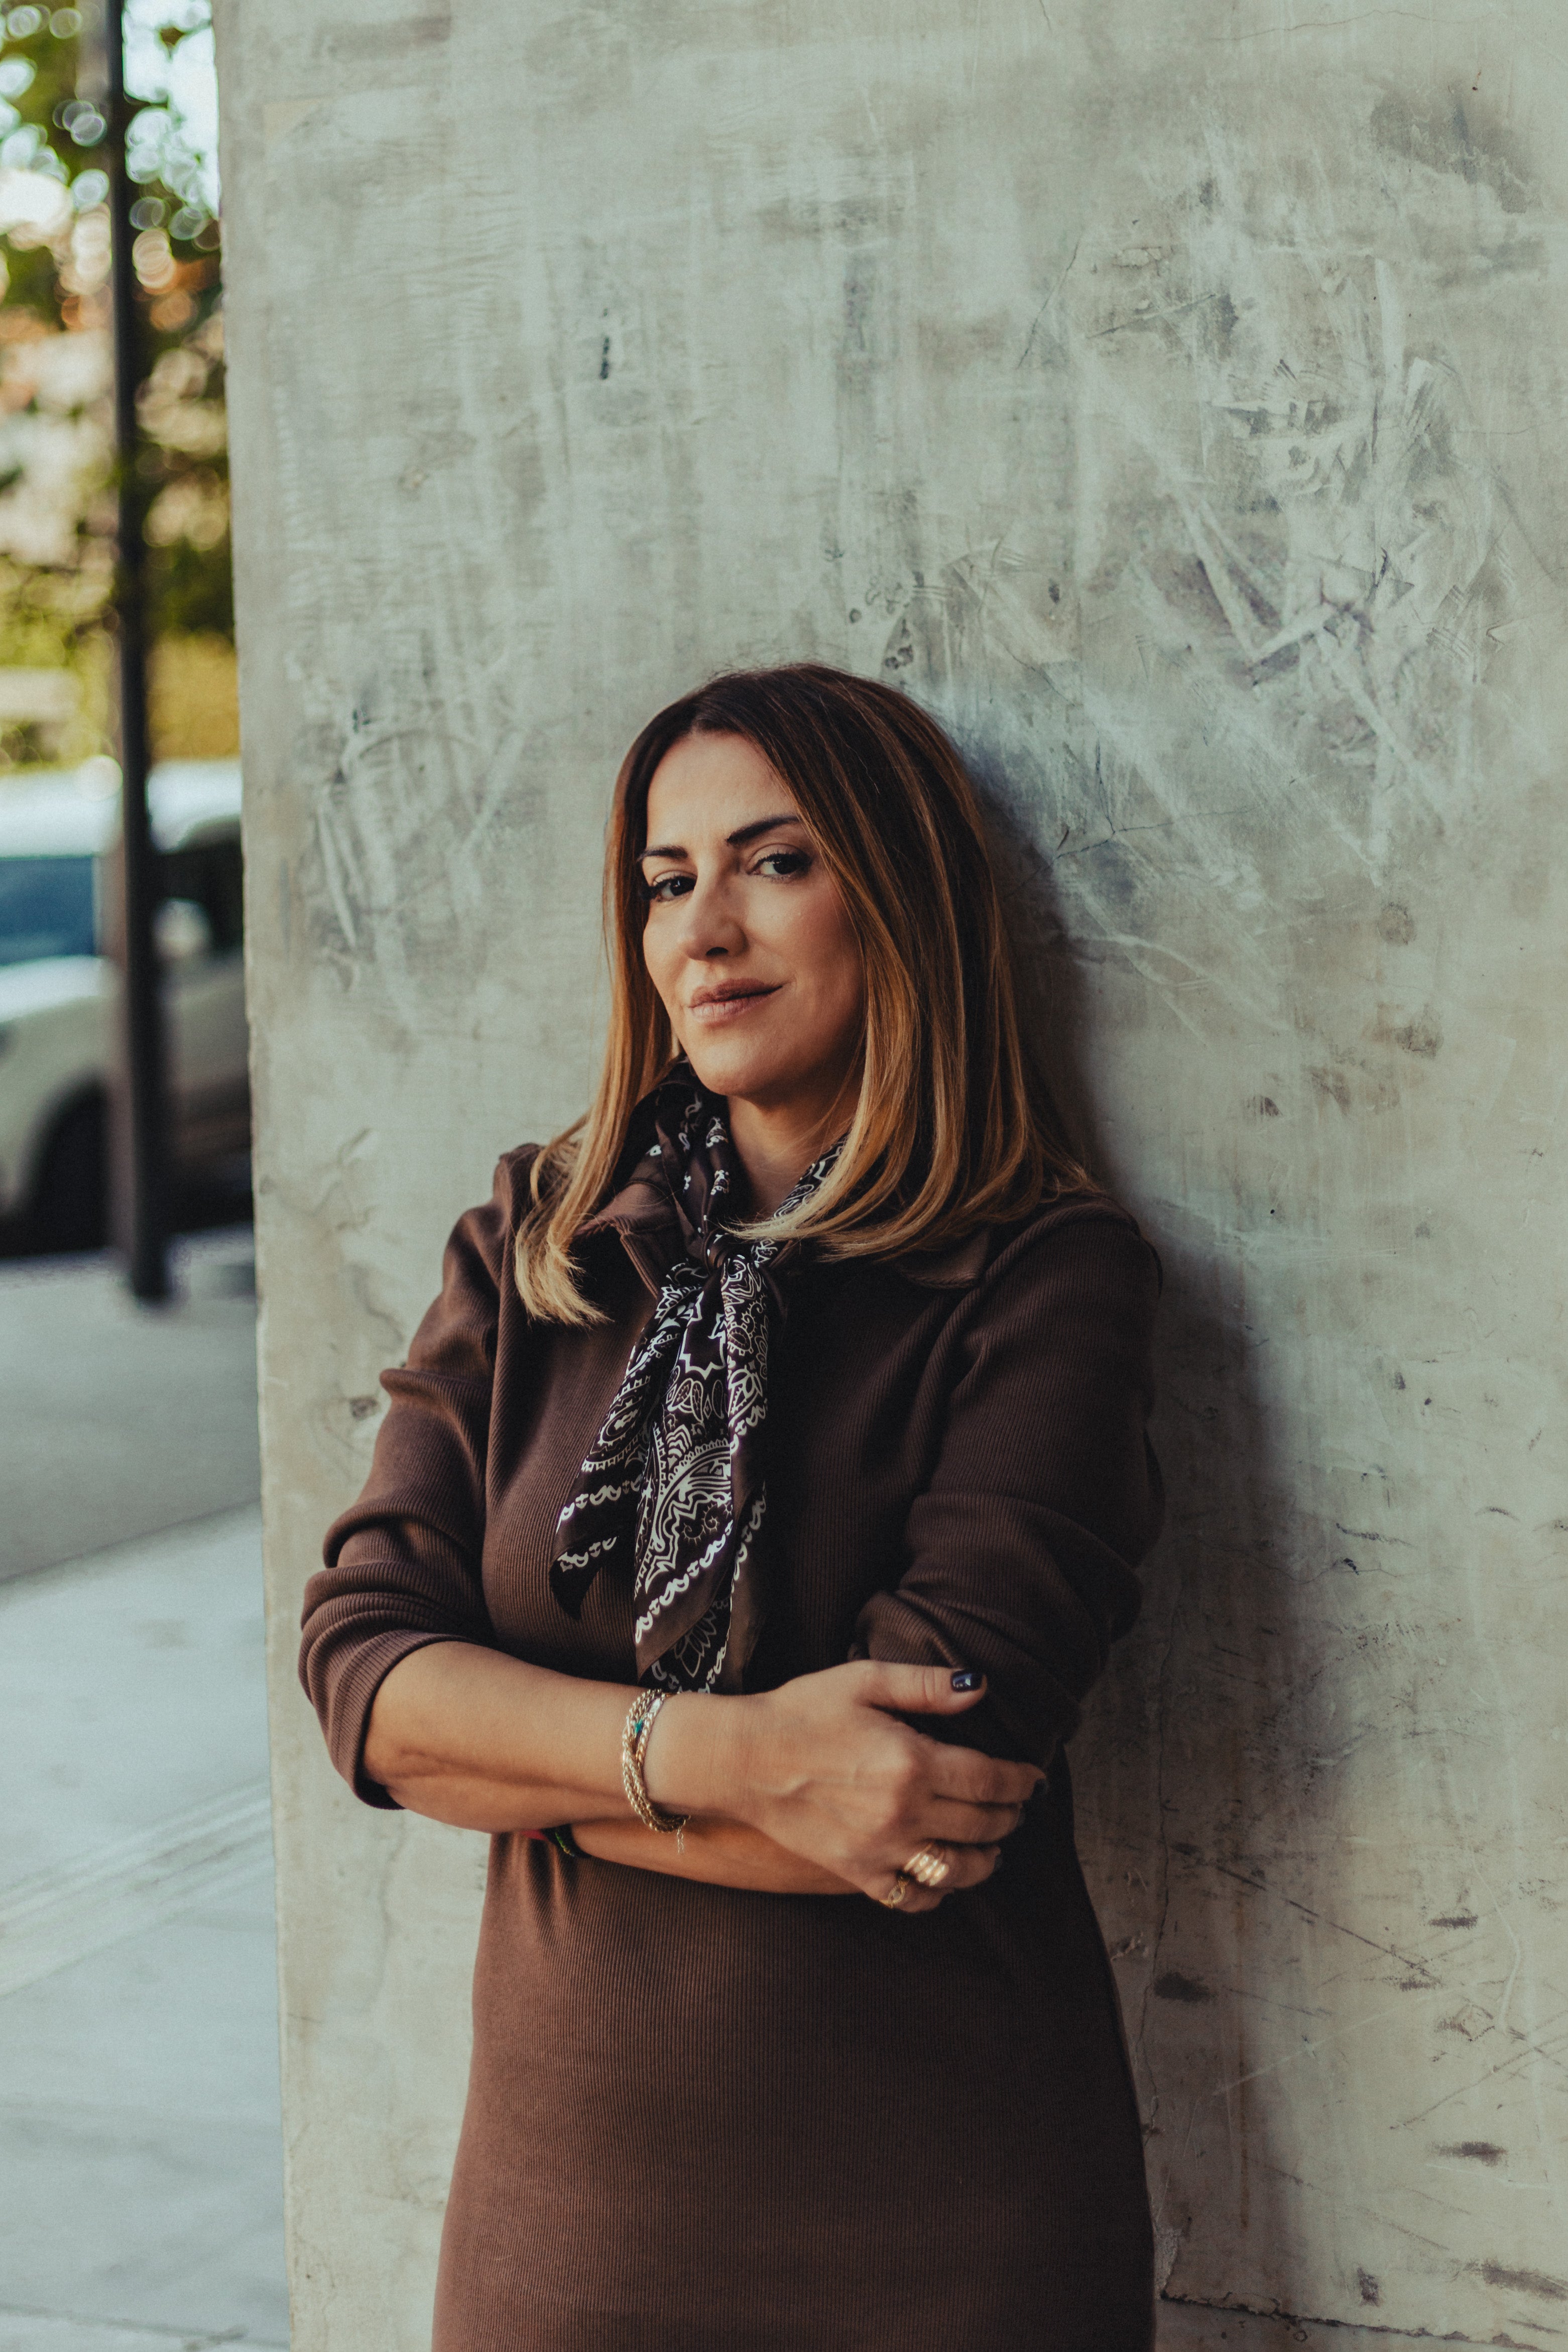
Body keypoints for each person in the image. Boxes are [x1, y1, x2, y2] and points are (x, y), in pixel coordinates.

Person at [299, 662, 1164, 2352]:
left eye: (775, 862)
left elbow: (914, 1803)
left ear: (899, 896)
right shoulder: (539, 1241)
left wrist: (514, 1764)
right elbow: (361, 1682)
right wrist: (732, 1754)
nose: (702, 931)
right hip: (562, 2226)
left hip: (947, 2233)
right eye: (664, 879)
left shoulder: (1043, 1273)